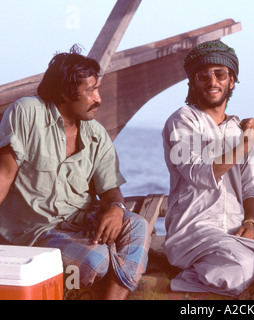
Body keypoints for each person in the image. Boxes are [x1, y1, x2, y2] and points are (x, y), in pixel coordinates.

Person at [0, 45, 151, 300]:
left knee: (137, 224)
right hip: (34, 233)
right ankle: (118, 267)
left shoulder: (96, 134)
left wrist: (115, 207)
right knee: (96, 260)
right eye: (91, 90)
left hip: (80, 225)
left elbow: (110, 188)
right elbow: (3, 175)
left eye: (98, 89)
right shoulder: (26, 112)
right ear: (65, 92)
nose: (98, 98)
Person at [162, 40, 254, 296]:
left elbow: (251, 186)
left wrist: (251, 222)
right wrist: (247, 141)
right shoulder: (183, 120)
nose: (212, 81)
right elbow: (199, 173)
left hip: (235, 232)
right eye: (203, 75)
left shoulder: (237, 129)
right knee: (240, 266)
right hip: (194, 232)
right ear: (193, 83)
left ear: (232, 81)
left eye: (220, 74)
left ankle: (220, 268)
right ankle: (185, 280)